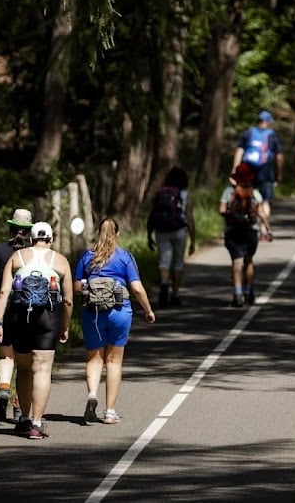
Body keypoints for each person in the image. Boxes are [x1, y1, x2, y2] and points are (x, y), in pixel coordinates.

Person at [0, 222, 73, 440]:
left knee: (24, 368)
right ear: (51, 239)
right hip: (47, 317)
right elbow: (67, 301)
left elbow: (3, 291)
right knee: (42, 370)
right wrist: (64, 326)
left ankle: (24, 420)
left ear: (31, 238)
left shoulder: (17, 258)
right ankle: (37, 424)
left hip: (19, 317)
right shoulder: (61, 261)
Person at [74, 218, 156, 425]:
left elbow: (76, 288)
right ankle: (110, 412)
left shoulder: (87, 256)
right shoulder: (124, 257)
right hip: (120, 311)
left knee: (94, 359)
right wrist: (148, 310)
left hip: (93, 313)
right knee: (113, 361)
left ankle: (92, 394)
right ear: (117, 234)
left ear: (97, 233)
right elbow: (136, 288)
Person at [0, 208, 33, 424]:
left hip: (2, 306)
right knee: (24, 361)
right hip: (27, 309)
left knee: (5, 355)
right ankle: (19, 407)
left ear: (10, 227)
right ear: (29, 230)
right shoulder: (33, 252)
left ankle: (3, 391)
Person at [219, 163, 271, 307]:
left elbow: (221, 210)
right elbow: (261, 213)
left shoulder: (229, 192)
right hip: (251, 231)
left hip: (233, 231)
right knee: (248, 260)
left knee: (237, 262)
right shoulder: (255, 193)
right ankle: (248, 291)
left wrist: (232, 216)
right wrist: (268, 229)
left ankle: (237, 293)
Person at [146, 166, 196, 307]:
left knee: (164, 260)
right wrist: (193, 240)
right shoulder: (185, 195)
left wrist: (149, 234)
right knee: (178, 261)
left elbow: (152, 215)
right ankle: (175, 294)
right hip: (180, 231)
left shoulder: (160, 193)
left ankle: (163, 285)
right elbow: (190, 218)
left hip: (161, 230)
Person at [231, 110, 283, 239]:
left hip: (248, 170)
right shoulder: (273, 135)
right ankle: (263, 229)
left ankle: (248, 224)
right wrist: (279, 174)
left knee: (247, 197)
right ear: (268, 122)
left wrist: (234, 169)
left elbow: (239, 151)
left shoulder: (248, 133)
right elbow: (279, 157)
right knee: (265, 200)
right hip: (267, 171)